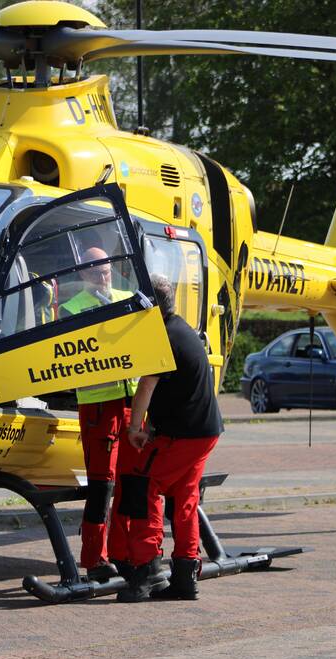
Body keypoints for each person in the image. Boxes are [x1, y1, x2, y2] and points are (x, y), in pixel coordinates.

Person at [116, 274, 224, 602]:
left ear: (149, 306)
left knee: (144, 487)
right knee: (184, 498)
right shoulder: (182, 330)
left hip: (186, 435)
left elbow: (146, 386)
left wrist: (136, 428)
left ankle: (147, 571)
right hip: (204, 431)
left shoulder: (163, 338)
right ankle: (185, 575)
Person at [59, 247, 137, 582]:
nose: (102, 277)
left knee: (131, 484)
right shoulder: (70, 309)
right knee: (102, 486)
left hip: (132, 404)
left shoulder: (128, 297)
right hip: (99, 409)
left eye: (105, 270)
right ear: (82, 275)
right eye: (94, 272)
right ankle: (95, 558)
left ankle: (127, 551)